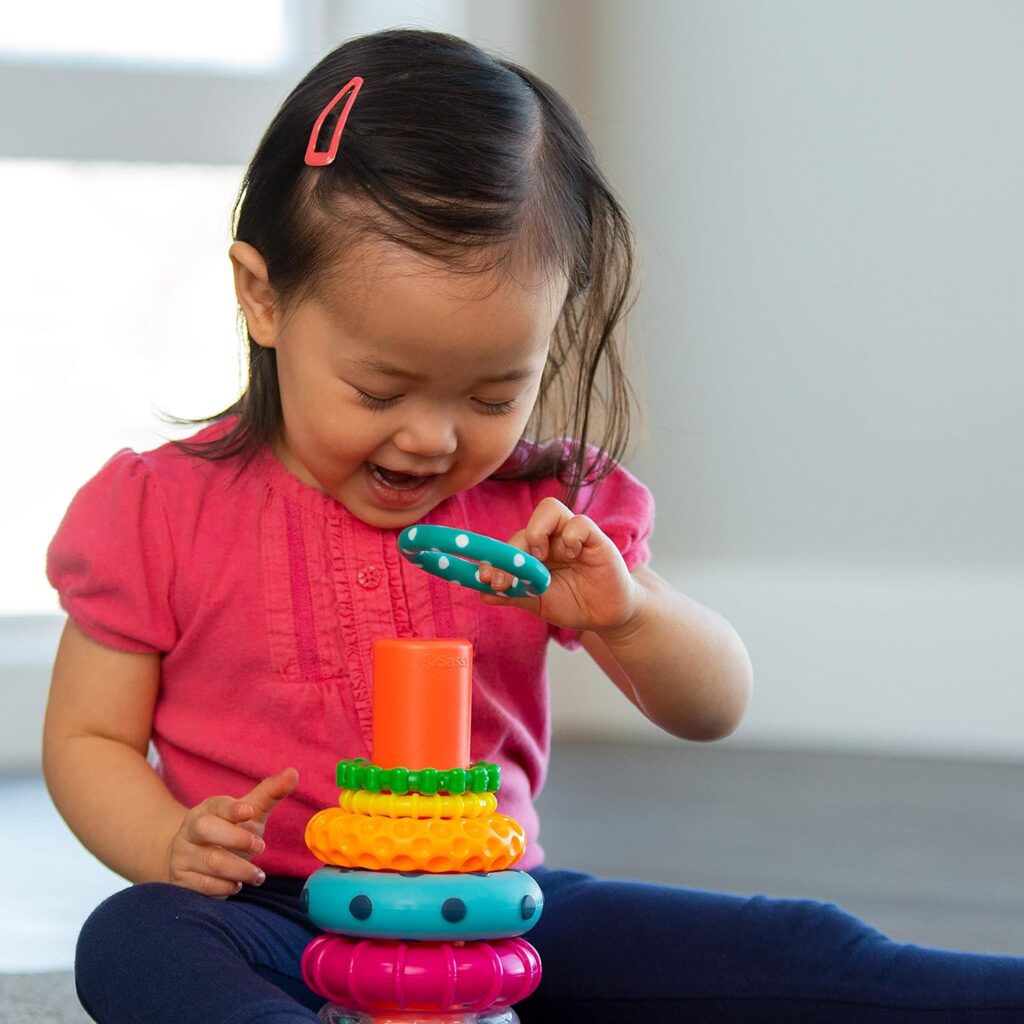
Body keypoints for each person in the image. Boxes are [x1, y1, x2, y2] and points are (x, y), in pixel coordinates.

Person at [42, 28, 1024, 1024]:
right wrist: (168, 842)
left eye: (491, 391)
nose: (430, 437)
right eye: (379, 386)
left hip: (492, 912)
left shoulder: (544, 512)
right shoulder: (157, 510)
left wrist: (627, 612)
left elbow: (713, 704)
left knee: (796, 942)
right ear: (263, 296)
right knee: (133, 938)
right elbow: (88, 736)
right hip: (269, 915)